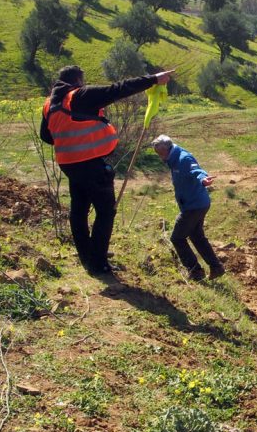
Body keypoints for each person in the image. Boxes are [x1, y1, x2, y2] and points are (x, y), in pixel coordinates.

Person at [40, 64, 172, 275]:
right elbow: (118, 89)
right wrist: (153, 79)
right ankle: (99, 264)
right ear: (77, 80)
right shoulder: (79, 95)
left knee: (79, 209)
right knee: (105, 211)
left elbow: (46, 136)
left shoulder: (50, 104)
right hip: (90, 163)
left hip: (68, 164)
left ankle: (87, 256)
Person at [152, 134, 225, 282]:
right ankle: (216, 267)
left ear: (167, 148)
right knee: (197, 236)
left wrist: (203, 179)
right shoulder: (172, 158)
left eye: (160, 153)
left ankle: (195, 271)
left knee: (177, 238)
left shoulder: (183, 158)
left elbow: (196, 170)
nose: (159, 156)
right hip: (196, 203)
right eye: (157, 153)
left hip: (194, 206)